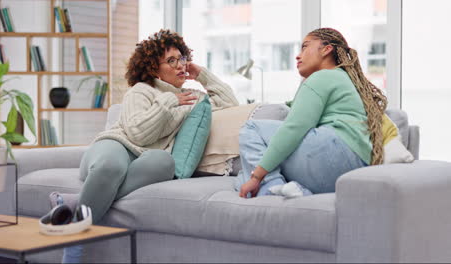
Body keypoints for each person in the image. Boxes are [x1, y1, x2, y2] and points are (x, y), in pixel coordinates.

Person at [54, 29, 239, 263]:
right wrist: (169, 101)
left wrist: (201, 74)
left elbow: (230, 103)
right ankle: (73, 244)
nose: (180, 65)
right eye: (171, 61)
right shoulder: (141, 90)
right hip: (116, 146)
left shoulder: (191, 97)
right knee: (111, 168)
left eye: (182, 58)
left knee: (165, 161)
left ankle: (76, 202)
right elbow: (137, 134)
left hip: (146, 158)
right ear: (153, 68)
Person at [235, 28, 388, 198]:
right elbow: (299, 107)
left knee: (251, 128)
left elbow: (294, 128)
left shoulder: (321, 77)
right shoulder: (344, 79)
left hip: (334, 153)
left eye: (305, 47)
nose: (298, 56)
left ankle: (270, 189)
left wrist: (257, 176)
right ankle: (296, 191)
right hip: (354, 167)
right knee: (242, 177)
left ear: (326, 49)